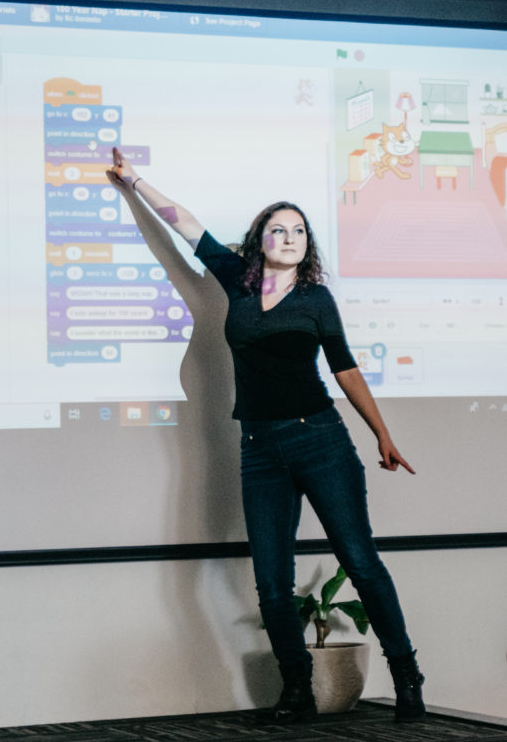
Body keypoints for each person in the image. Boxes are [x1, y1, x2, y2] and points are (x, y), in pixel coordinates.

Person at [106, 147, 425, 724]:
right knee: (272, 584)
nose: (289, 236)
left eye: (298, 230)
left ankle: (407, 675)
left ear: (308, 244)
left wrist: (381, 433)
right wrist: (135, 182)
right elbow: (185, 225)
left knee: (361, 561)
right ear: (260, 241)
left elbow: (346, 369)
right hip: (259, 450)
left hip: (320, 441)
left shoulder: (316, 300)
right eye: (278, 229)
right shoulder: (237, 280)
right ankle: (297, 690)